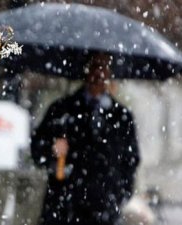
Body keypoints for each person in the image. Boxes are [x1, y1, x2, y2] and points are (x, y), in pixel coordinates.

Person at [31, 54, 140, 225]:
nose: (99, 73)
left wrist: (119, 194)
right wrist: (52, 149)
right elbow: (37, 150)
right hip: (63, 207)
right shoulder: (61, 110)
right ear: (86, 70)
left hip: (104, 208)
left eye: (104, 67)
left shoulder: (122, 117)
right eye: (95, 66)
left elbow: (131, 160)